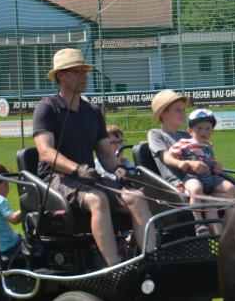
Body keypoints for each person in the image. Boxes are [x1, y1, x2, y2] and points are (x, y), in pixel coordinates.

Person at [32, 48, 152, 266]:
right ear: (60, 76)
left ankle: (147, 261)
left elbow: (105, 153)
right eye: (78, 72)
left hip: (88, 178)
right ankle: (113, 266)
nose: (84, 76)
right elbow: (46, 152)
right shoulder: (46, 108)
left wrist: (118, 168)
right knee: (97, 199)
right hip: (56, 179)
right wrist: (76, 169)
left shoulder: (93, 111)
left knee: (137, 198)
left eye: (85, 72)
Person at [147, 92, 235, 234]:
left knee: (232, 191)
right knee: (198, 189)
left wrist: (215, 165)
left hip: (202, 178)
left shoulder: (187, 135)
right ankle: (200, 224)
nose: (183, 113)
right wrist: (184, 164)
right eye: (178, 110)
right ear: (163, 113)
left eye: (183, 110)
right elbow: (166, 157)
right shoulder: (156, 134)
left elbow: (204, 153)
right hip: (177, 183)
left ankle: (232, 227)